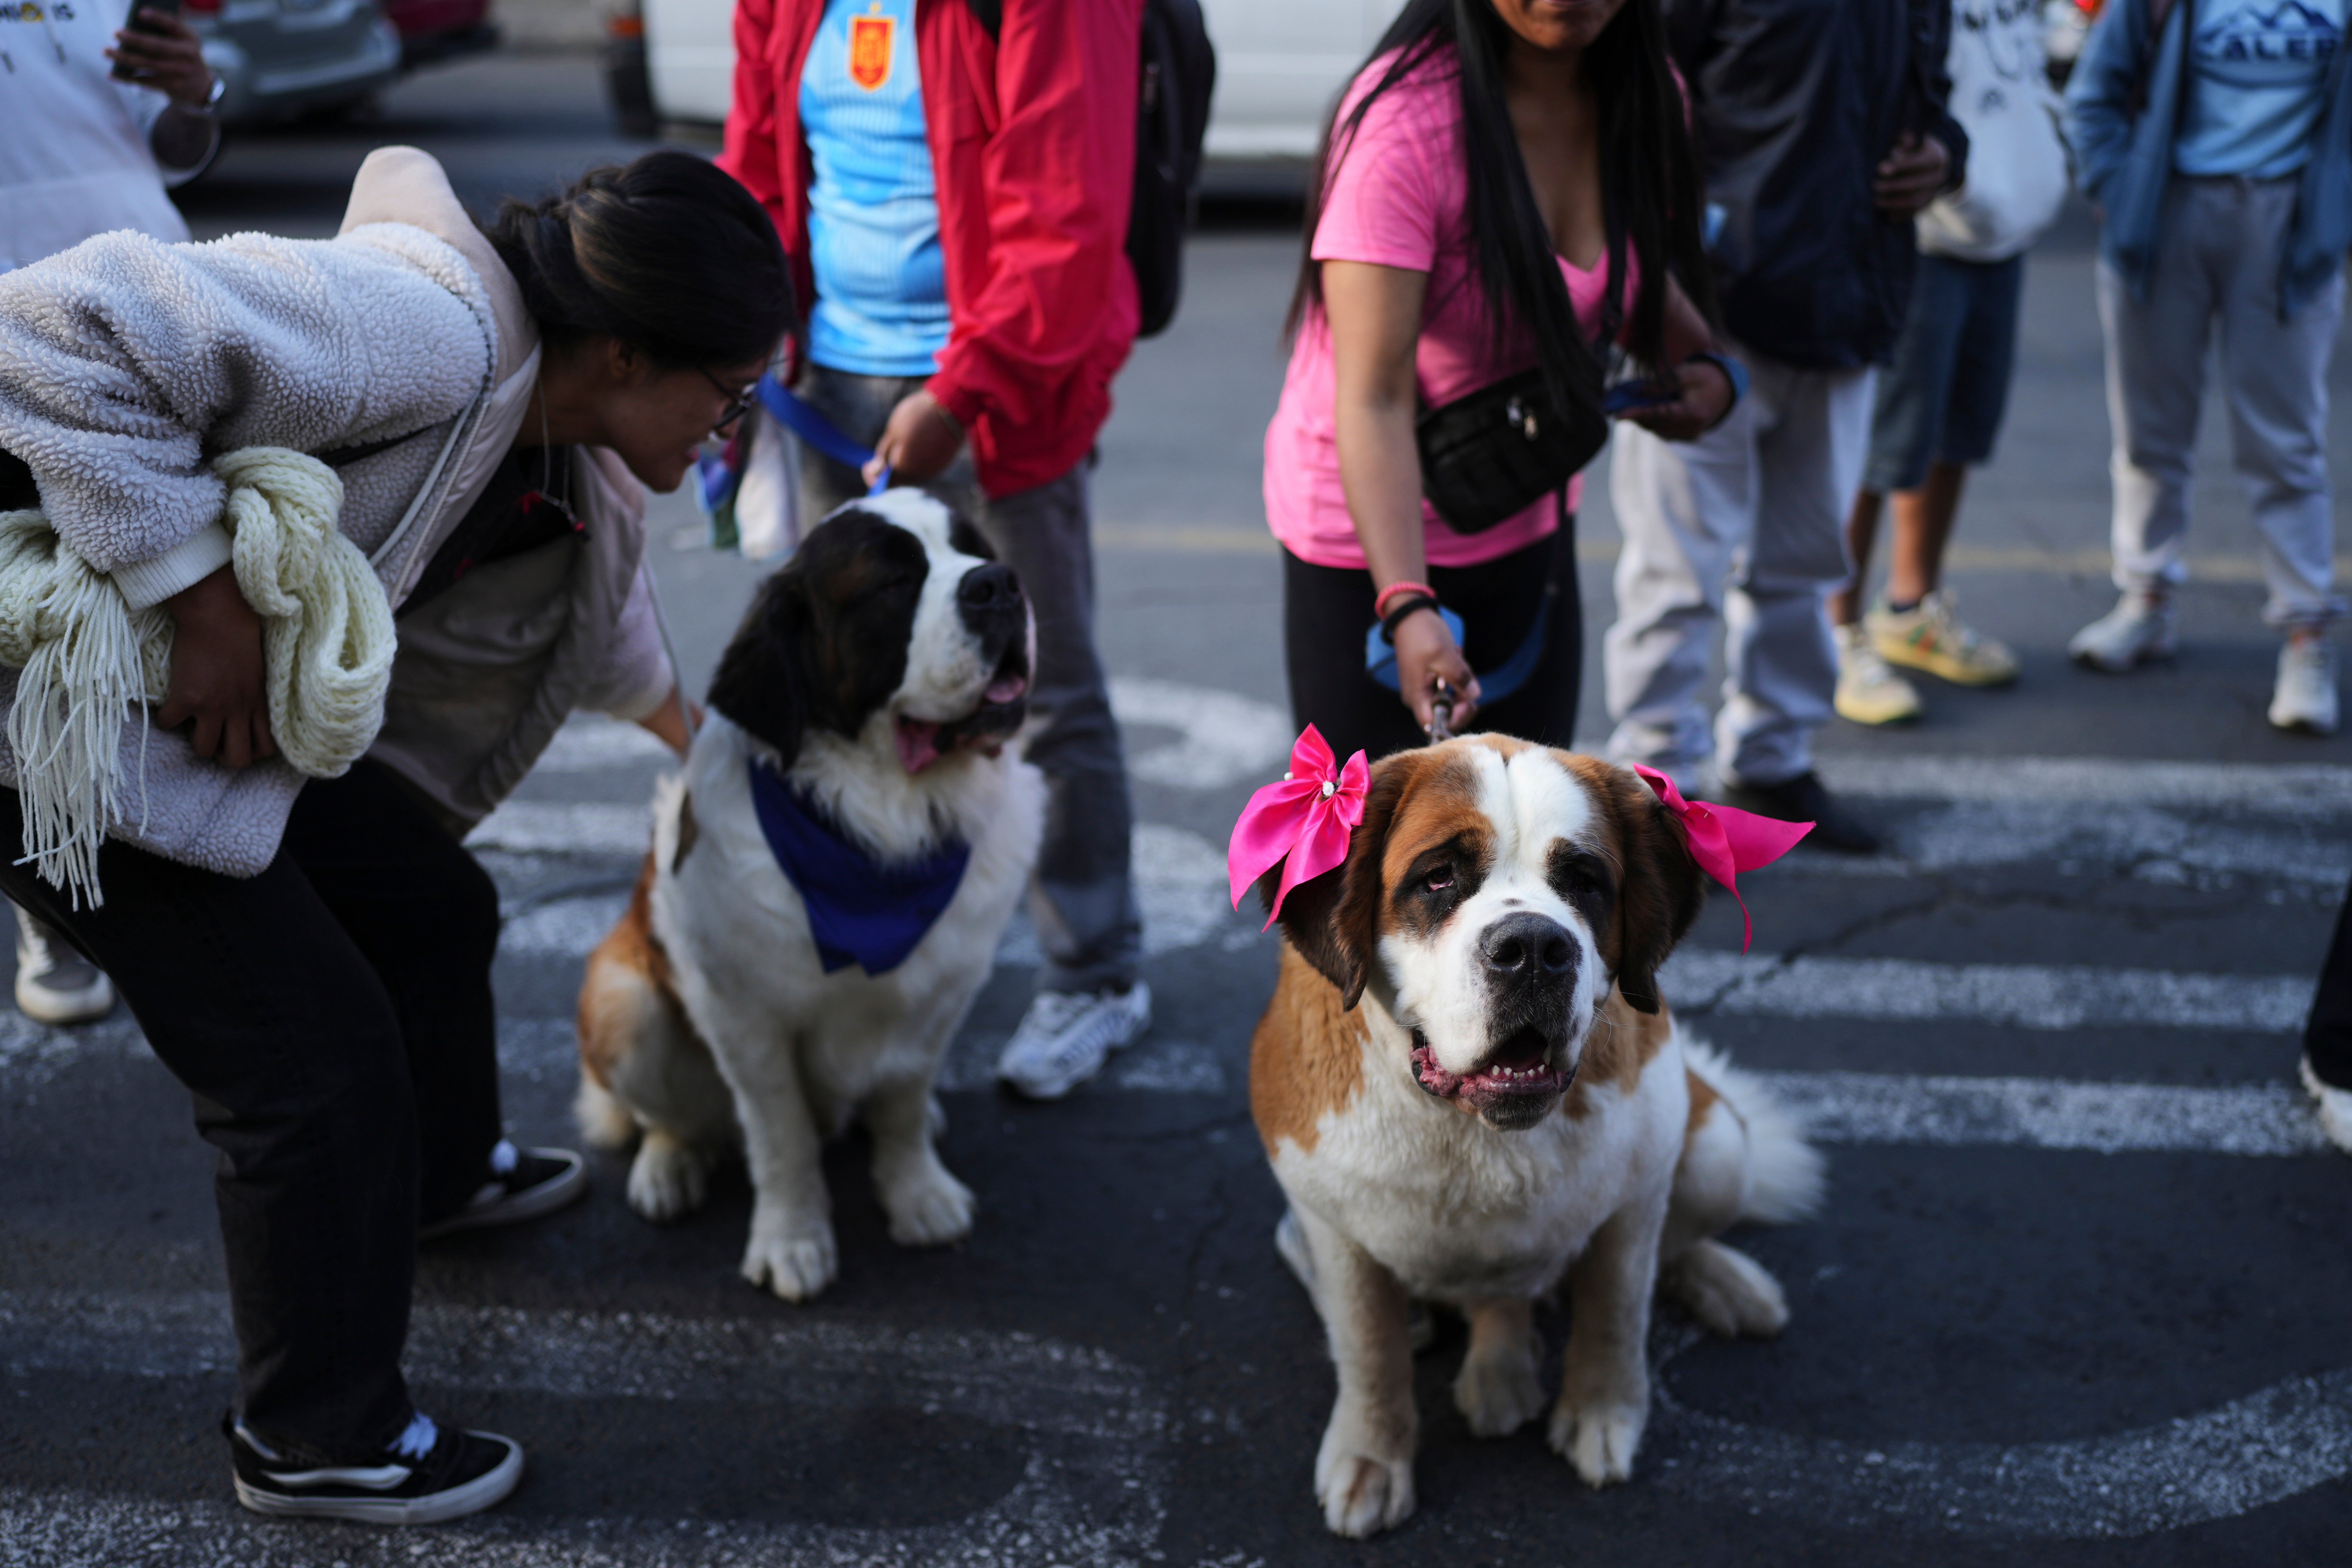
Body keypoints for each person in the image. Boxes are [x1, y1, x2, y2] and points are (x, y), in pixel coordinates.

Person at [0, 147, 788, 1524]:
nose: (726, 434)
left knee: (428, 900)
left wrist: (705, 736)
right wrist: (201, 595)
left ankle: (431, 1179)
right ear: (623, 352)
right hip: (58, 717)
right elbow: (44, 334)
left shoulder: (555, 422)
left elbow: (616, 619)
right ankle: (321, 1439)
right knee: (309, 1064)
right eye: (724, 398)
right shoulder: (434, 333)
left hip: (174, 721)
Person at [720, 0, 1151, 1102]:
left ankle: (1094, 973)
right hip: (833, 391)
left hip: (995, 399)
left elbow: (1068, 216)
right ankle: (889, 967)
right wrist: (737, 341)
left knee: (1032, 693)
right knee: (862, 698)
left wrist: (962, 394)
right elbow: (760, 160)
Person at [1266, 0, 1735, 768]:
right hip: (1372, 547)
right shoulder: (1401, 128)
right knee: (1365, 867)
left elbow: (1617, 274)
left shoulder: (1652, 95)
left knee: (1533, 843)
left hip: (1528, 508)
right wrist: (1408, 607)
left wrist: (1710, 367)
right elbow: (1374, 398)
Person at [1602, 0, 1969, 850]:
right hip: (1709, 312)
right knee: (1675, 572)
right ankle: (1653, 784)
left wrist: (1947, 156)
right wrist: (1657, 281)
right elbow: (1626, 91)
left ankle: (1772, 759)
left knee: (1805, 561)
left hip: (1847, 303)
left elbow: (1932, 95)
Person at [0, 0, 227, 1024]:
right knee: (41, 622)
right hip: (18, 334)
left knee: (161, 613)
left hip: (154, 307)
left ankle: (155, 859)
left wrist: (194, 93)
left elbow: (176, 148)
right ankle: (55, 881)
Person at [2064, 0, 2352, 734]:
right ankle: (2146, 600)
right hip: (2168, 215)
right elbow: (2095, 94)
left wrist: (2336, 213)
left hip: (2292, 224)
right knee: (2149, 433)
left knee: (2286, 444)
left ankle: (2306, 633)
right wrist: (2117, 187)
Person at [1828, 0, 2071, 726]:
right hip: (1921, 235)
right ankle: (1835, 631)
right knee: (1878, 451)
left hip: (2001, 224)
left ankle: (1911, 606)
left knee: (1957, 433)